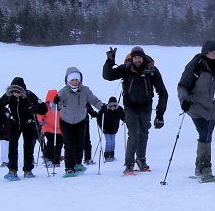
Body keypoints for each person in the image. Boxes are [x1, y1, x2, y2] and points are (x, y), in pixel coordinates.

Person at [177, 40, 215, 182]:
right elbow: (182, 86)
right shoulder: (195, 65)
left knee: (207, 135)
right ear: (205, 53)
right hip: (196, 107)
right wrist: (184, 100)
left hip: (213, 109)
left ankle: (200, 167)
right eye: (212, 52)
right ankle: (206, 168)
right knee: (204, 134)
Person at [102, 45, 169, 174]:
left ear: (143, 58)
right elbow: (108, 76)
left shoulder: (152, 71)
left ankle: (141, 160)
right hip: (130, 106)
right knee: (133, 134)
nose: (138, 60)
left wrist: (160, 113)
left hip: (146, 106)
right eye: (135, 58)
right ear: (132, 58)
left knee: (144, 133)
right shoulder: (126, 69)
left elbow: (163, 93)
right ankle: (129, 164)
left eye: (139, 58)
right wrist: (109, 61)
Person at [0, 76, 48, 180]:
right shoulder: (8, 96)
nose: (15, 93)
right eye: (13, 91)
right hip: (14, 123)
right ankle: (12, 170)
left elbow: (43, 108)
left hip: (28, 123)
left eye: (17, 91)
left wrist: (36, 108)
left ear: (22, 90)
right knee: (12, 146)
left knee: (28, 146)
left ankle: (28, 170)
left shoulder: (30, 95)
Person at [53, 67, 104, 176]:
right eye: (72, 80)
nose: (75, 82)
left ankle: (77, 163)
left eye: (77, 80)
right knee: (69, 144)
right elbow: (55, 108)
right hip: (66, 121)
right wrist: (55, 102)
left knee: (80, 143)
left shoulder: (85, 90)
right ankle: (69, 167)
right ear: (68, 81)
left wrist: (102, 107)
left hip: (81, 120)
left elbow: (94, 100)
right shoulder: (63, 92)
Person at [96, 97, 125, 163]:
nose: (113, 107)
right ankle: (106, 156)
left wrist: (124, 119)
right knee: (109, 142)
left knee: (113, 142)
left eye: (114, 105)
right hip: (106, 129)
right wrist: (102, 127)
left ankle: (111, 155)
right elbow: (99, 118)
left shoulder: (119, 109)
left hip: (114, 129)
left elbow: (122, 115)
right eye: (111, 105)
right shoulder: (104, 109)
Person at [39, 89, 63, 167]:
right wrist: (41, 120)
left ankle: (56, 160)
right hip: (48, 127)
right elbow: (40, 114)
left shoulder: (60, 106)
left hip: (59, 128)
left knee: (59, 143)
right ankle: (49, 158)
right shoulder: (45, 106)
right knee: (51, 142)